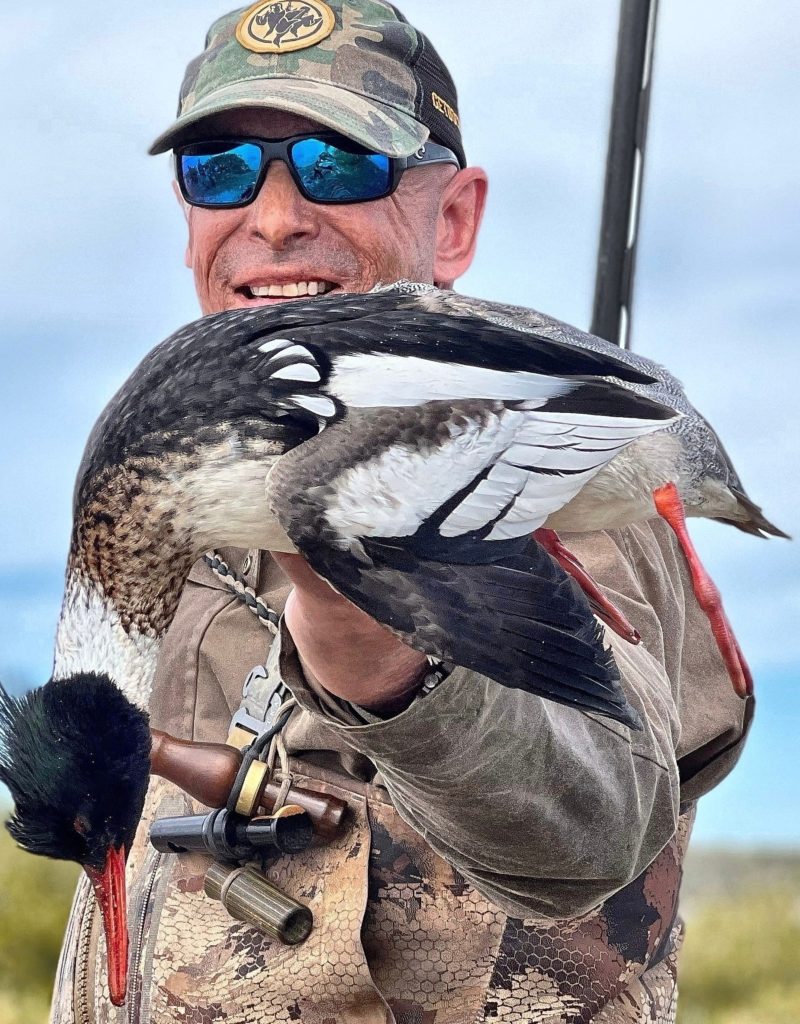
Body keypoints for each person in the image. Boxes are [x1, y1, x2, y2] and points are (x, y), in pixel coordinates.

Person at [50, 3, 752, 1021]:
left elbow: (592, 828)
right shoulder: (151, 493)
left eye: (341, 166)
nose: (277, 216)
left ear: (453, 220)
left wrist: (388, 665)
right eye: (221, 170)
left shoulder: (551, 466)